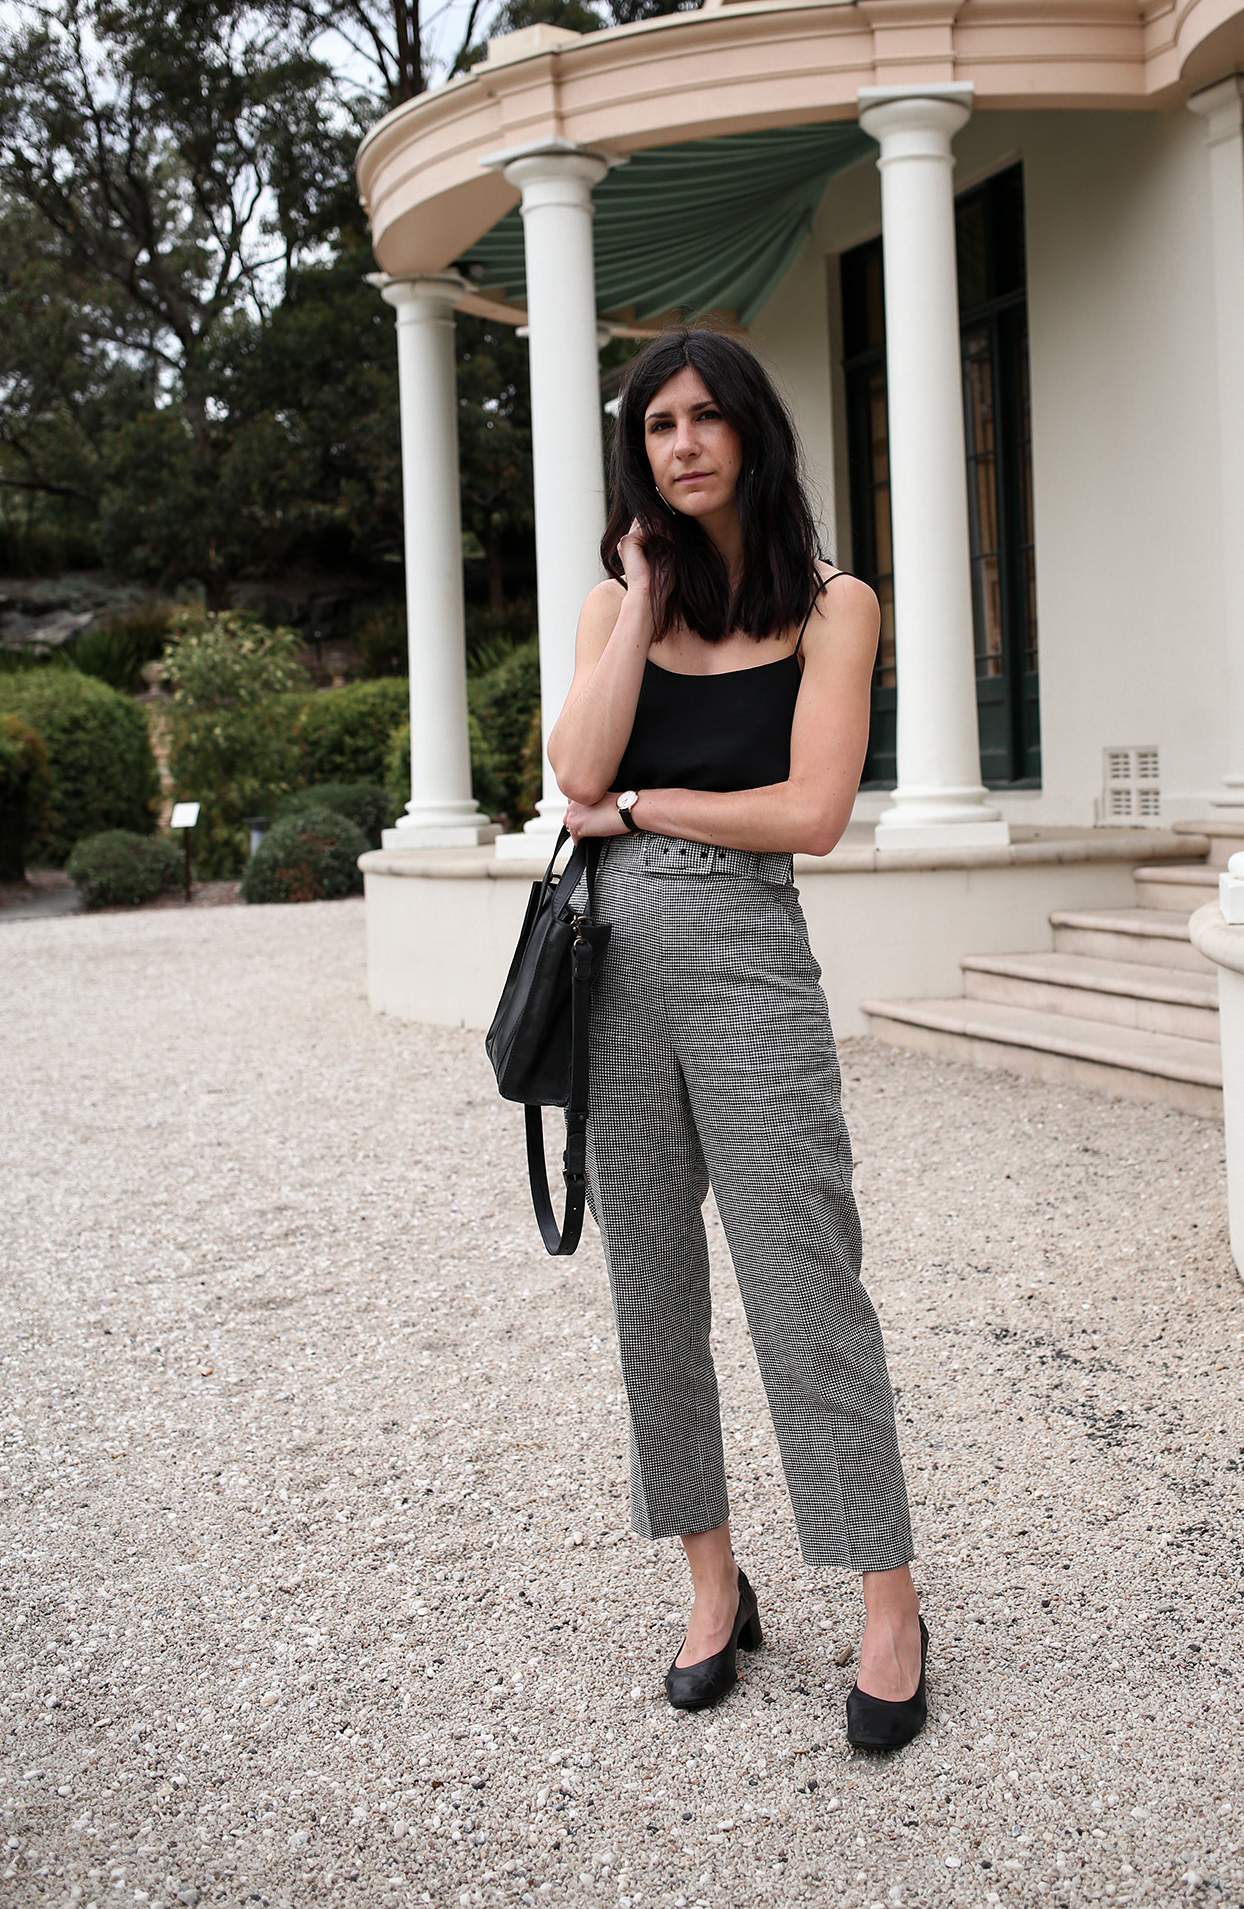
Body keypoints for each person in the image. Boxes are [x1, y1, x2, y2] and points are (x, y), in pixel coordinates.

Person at [546, 325, 927, 1753]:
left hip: (749, 951)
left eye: (708, 419)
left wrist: (646, 811)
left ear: (754, 434)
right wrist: (641, 602)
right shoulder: (611, 610)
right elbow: (574, 767)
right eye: (657, 427)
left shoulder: (834, 605)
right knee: (650, 1290)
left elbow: (808, 814)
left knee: (800, 1276)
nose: (685, 443)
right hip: (608, 962)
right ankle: (712, 1586)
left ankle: (886, 1599)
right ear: (635, 454)